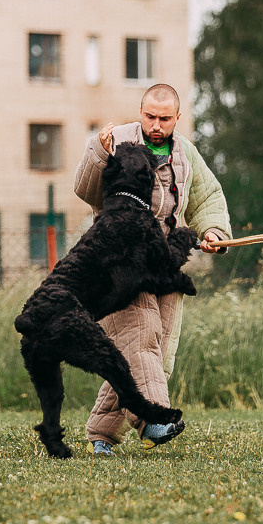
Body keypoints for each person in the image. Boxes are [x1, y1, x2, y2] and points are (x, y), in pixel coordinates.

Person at [73, 83, 231, 456]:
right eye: (149, 116)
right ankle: (153, 419)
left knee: (152, 356)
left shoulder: (186, 153)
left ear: (178, 118)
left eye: (164, 118)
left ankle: (102, 435)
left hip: (164, 264)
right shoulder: (118, 141)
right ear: (140, 112)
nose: (155, 125)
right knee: (140, 335)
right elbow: (85, 190)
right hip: (117, 261)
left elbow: (207, 196)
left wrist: (212, 231)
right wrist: (98, 151)